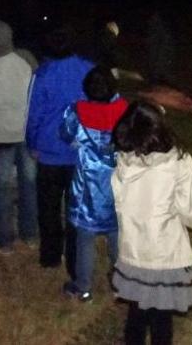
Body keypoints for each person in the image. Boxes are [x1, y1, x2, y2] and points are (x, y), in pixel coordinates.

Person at [111, 101, 192, 345]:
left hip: (133, 250)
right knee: (161, 318)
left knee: (136, 313)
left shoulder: (124, 162)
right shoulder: (177, 162)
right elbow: (191, 207)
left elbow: (120, 204)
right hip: (164, 252)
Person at [25, 22, 94, 275]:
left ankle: (51, 255)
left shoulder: (43, 74)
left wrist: (32, 143)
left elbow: (33, 115)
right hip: (78, 153)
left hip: (51, 154)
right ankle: (75, 262)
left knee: (49, 208)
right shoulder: (88, 70)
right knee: (75, 210)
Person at [59, 66, 128, 302]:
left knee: (85, 239)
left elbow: (66, 134)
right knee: (117, 236)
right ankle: (122, 283)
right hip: (118, 186)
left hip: (88, 187)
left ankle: (84, 287)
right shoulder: (125, 111)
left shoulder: (77, 112)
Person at [0, 20, 38, 254]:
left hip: (0, 135)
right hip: (26, 133)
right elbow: (38, 95)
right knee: (29, 185)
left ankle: (4, 240)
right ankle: (30, 234)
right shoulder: (26, 58)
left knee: (2, 188)